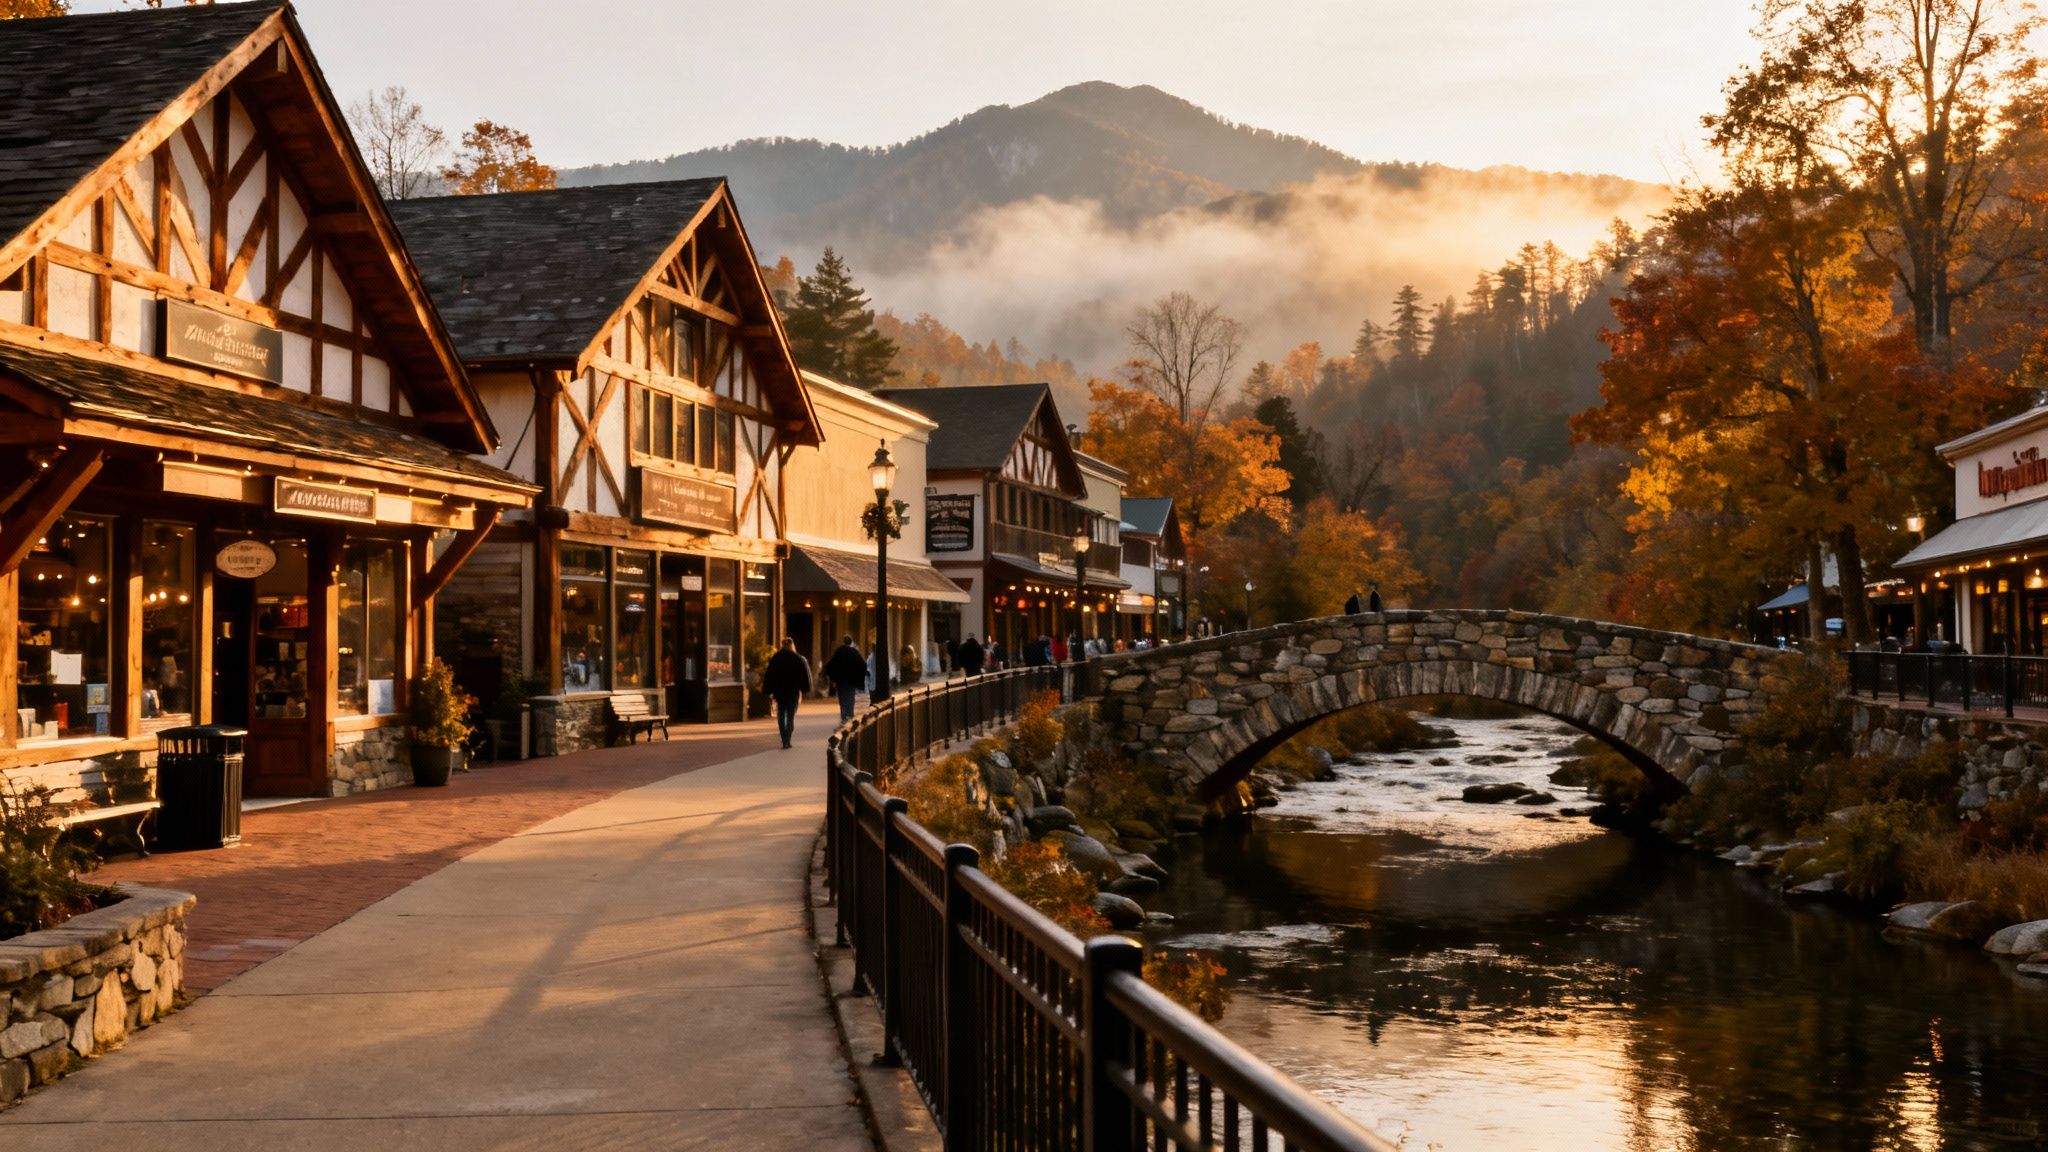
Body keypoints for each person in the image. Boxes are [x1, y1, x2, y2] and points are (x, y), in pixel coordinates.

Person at [761, 638, 812, 749]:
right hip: (793, 692)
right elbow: (803, 676)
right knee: (790, 716)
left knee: (781, 714)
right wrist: (805, 689)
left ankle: (784, 738)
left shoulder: (776, 658)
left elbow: (769, 674)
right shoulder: (797, 658)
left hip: (779, 692)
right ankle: (787, 740)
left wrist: (767, 689)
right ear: (792, 645)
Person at [824, 635, 867, 722]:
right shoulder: (855, 652)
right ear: (851, 642)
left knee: (842, 698)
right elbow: (863, 665)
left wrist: (831, 677)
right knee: (850, 697)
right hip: (852, 681)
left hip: (841, 681)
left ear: (844, 642)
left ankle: (843, 716)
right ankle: (850, 715)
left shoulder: (839, 652)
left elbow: (830, 665)